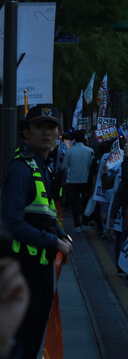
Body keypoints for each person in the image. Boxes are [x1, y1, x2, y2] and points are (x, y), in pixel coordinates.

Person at [1, 105, 73, 359]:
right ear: (25, 132)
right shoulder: (20, 169)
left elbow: (45, 214)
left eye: (52, 127)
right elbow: (12, 223)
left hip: (40, 269)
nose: (47, 132)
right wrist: (54, 241)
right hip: (22, 270)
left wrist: (61, 235)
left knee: (32, 340)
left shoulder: (44, 168)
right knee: (22, 343)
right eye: (40, 126)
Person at [63, 131, 95, 232]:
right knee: (85, 202)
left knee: (74, 203)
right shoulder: (90, 151)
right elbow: (92, 167)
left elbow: (64, 166)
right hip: (86, 180)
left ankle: (77, 225)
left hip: (73, 180)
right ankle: (85, 223)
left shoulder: (70, 151)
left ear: (74, 139)